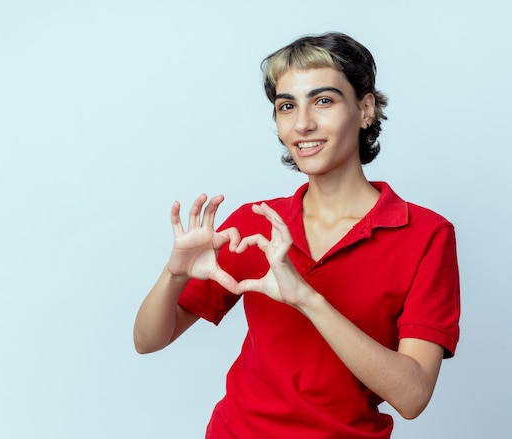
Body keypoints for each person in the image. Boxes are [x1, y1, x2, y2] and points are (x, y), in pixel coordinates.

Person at [134, 32, 460, 439]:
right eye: (287, 106)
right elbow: (148, 340)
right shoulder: (257, 224)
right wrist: (174, 274)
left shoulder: (426, 235)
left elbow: (412, 396)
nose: (303, 123)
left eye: (324, 100)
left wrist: (307, 299)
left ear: (365, 109)